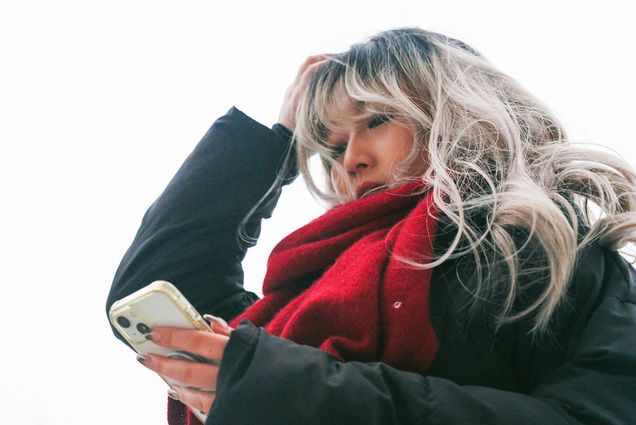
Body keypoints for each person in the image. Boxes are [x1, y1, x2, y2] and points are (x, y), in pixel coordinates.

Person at [106, 27, 636, 425]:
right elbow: (162, 287)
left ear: (457, 110)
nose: (351, 159)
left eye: (377, 120)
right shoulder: (309, 293)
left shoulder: (550, 247)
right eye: (332, 147)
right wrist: (274, 142)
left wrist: (293, 392)